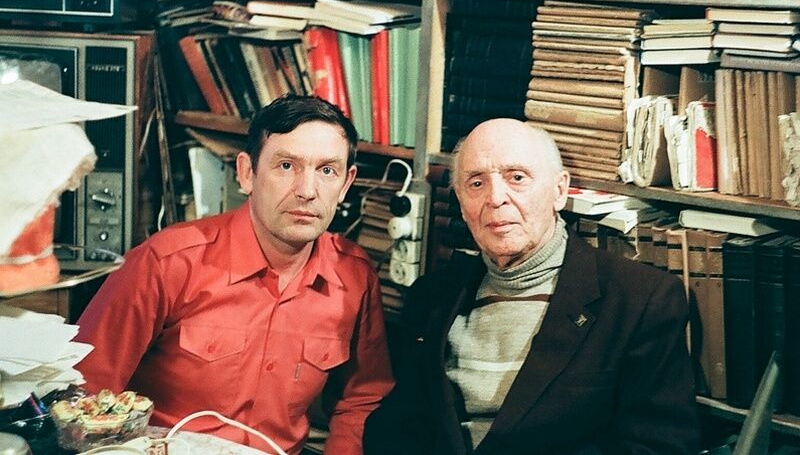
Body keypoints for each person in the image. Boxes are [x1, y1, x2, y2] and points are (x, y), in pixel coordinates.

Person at [76, 96, 394, 455]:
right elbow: (84, 393)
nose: (307, 191)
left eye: (326, 171)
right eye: (286, 165)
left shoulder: (354, 278)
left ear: (346, 183)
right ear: (247, 173)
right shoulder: (166, 262)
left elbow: (362, 399)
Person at [363, 119, 699, 454]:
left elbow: (658, 448)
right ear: (462, 205)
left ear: (559, 191)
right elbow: (396, 428)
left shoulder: (640, 300)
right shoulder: (431, 296)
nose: (496, 198)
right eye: (476, 183)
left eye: (517, 178)